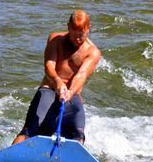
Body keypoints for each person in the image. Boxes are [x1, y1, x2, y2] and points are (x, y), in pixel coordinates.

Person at [11, 10, 101, 145]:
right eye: (74, 34)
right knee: (30, 130)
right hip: (49, 89)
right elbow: (49, 66)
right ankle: (10, 157)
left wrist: (70, 92)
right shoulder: (55, 40)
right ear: (68, 27)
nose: (77, 39)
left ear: (88, 29)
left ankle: (72, 161)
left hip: (71, 94)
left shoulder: (92, 52)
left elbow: (81, 75)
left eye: (81, 35)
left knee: (78, 137)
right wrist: (58, 82)